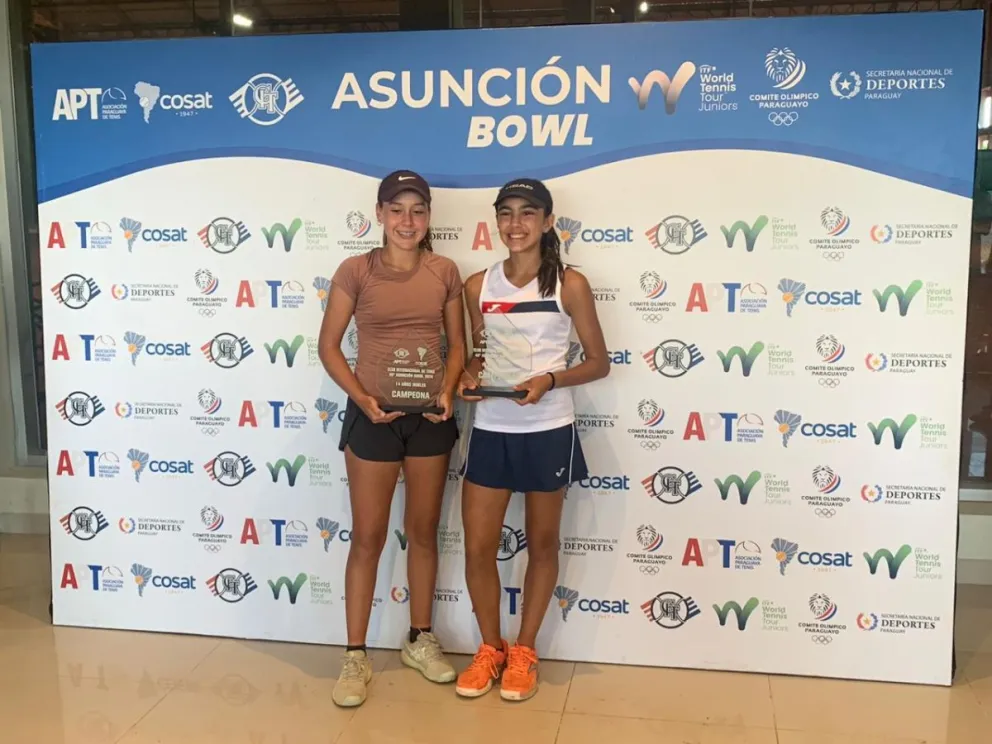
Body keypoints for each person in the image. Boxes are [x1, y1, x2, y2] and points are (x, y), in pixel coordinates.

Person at [454, 178, 610, 701]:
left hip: (548, 431)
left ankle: (524, 651)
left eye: (527, 214)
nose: (515, 224)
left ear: (548, 222)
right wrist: (471, 376)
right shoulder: (477, 285)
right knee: (478, 548)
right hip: (491, 431)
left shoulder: (570, 284)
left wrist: (550, 380)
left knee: (542, 546)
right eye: (506, 214)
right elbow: (479, 353)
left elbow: (597, 362)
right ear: (496, 221)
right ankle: (490, 648)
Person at [318, 170, 466, 707]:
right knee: (368, 536)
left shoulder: (444, 270)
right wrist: (361, 398)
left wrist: (448, 391)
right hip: (373, 419)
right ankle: (355, 655)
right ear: (379, 214)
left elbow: (457, 346)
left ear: (429, 218)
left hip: (429, 421)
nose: (408, 221)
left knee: (423, 531)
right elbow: (329, 347)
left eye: (418, 210)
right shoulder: (355, 270)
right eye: (397, 209)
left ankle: (419, 638)